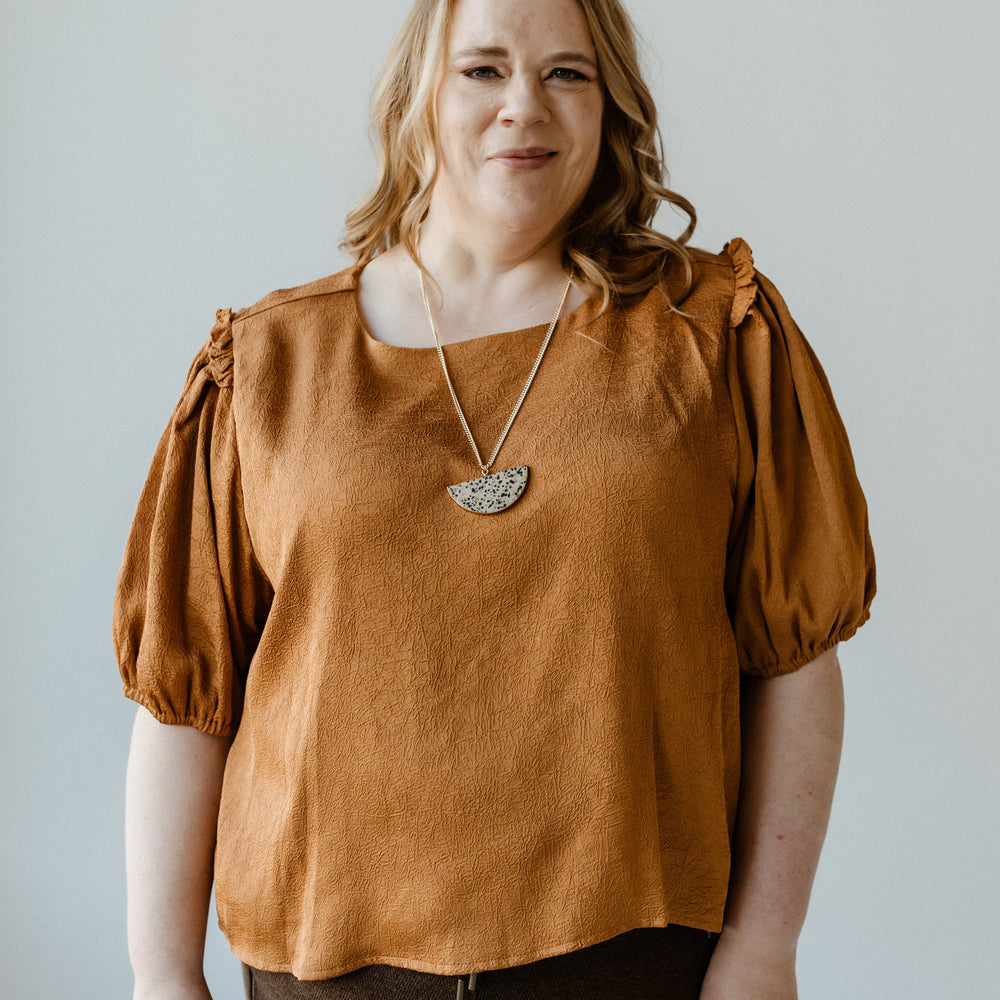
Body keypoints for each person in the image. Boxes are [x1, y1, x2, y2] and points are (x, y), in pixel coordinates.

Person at [115, 0, 876, 998]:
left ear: (611, 109)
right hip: (325, 966)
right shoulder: (266, 365)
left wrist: (763, 948)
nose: (525, 106)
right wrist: (162, 976)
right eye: (482, 70)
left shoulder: (715, 337)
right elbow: (188, 695)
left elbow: (794, 657)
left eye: (568, 74)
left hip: (634, 954)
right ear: (417, 97)